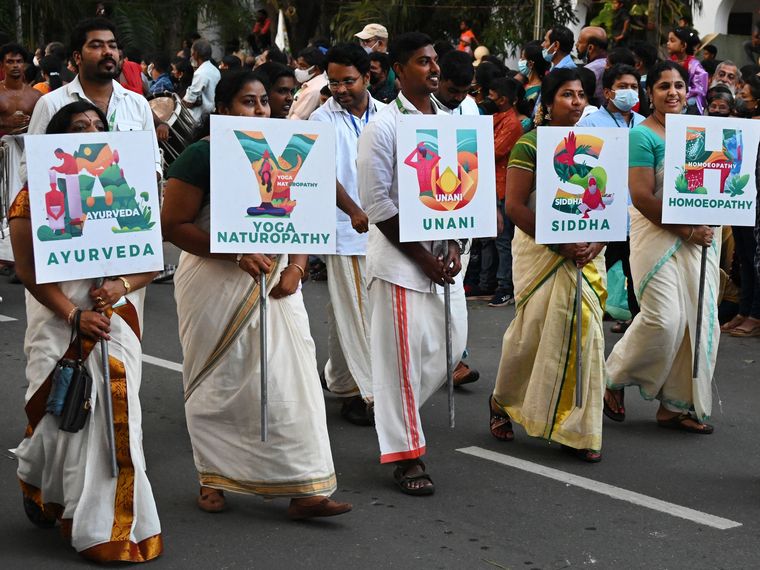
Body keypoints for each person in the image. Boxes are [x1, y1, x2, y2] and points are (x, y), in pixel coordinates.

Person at [161, 70, 352, 520]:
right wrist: (233, 254)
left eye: (265, 101)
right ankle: (213, 478)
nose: (262, 110)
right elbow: (173, 227)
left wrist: (299, 266)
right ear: (224, 108)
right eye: (249, 102)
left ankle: (305, 486)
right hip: (214, 281)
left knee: (294, 382)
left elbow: (302, 215)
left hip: (278, 280)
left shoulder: (288, 148)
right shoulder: (199, 157)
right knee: (219, 382)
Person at [10, 100, 162, 562]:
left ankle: (104, 525)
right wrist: (73, 316)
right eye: (80, 127)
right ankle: (43, 483)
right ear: (58, 140)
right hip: (59, 322)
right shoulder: (35, 194)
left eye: (99, 125)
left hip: (116, 318)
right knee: (58, 416)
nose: (92, 132)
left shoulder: (126, 186)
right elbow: (28, 270)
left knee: (119, 423)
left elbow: (149, 260)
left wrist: (122, 284)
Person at [357, 32, 467, 495]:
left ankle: (391, 408)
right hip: (402, 263)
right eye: (423, 62)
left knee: (450, 345)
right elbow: (377, 203)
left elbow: (464, 192)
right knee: (401, 364)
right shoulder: (382, 126)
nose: (434, 68)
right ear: (399, 71)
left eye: (435, 60)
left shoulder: (450, 123)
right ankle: (407, 456)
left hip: (444, 260)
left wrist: (457, 244)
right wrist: (422, 256)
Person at [488, 68, 606, 462]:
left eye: (581, 96)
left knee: (587, 332)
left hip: (587, 250)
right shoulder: (531, 145)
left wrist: (597, 240)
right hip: (541, 250)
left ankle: (580, 430)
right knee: (531, 333)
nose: (576, 102)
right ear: (548, 101)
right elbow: (515, 207)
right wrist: (559, 242)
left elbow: (609, 206)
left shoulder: (602, 145)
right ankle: (503, 400)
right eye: (567, 95)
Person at [604, 61, 718, 434]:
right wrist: (686, 229)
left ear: (689, 91)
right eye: (664, 86)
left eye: (680, 86)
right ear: (649, 93)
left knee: (700, 323)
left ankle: (675, 406)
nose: (673, 93)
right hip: (659, 234)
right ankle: (612, 377)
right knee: (665, 319)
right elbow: (640, 195)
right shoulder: (643, 135)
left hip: (699, 237)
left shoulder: (700, 133)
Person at [309, 44, 383, 425]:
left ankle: (340, 378)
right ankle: (371, 393)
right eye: (333, 81)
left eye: (348, 81)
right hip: (346, 230)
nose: (339, 89)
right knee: (360, 311)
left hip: (386, 229)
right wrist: (352, 210)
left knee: (350, 309)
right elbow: (321, 171)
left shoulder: (389, 115)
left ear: (368, 76)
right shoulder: (322, 120)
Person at [26, 18, 161, 177]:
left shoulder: (137, 103)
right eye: (97, 46)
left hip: (124, 198)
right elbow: (28, 167)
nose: (108, 51)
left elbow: (153, 162)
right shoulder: (51, 104)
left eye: (112, 45)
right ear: (77, 57)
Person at [578, 64, 645, 332]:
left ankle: (636, 324)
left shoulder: (644, 124)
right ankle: (586, 322)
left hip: (636, 213)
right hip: (602, 212)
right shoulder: (590, 124)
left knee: (635, 272)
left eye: (634, 87)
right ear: (607, 92)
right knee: (594, 268)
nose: (629, 92)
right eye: (623, 87)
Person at [486, 77, 527, 309]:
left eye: (490, 94)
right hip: (491, 186)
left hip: (503, 188)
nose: (486, 98)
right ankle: (494, 283)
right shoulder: (494, 119)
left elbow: (490, 152)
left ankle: (505, 287)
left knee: (503, 240)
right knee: (494, 240)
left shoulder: (511, 124)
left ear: (502, 99)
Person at [0, 43, 41, 135]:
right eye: (10, 62)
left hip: (28, 146)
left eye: (19, 61)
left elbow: (44, 123)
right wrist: (5, 122)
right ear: (2, 65)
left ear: (24, 65)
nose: (15, 65)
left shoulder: (36, 95)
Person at [666, 27, 707, 114]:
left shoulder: (695, 65)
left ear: (684, 45)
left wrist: (683, 95)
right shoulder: (668, 62)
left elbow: (699, 88)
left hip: (688, 98)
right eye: (668, 40)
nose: (668, 43)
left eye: (672, 41)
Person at [182, 38, 220, 124]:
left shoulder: (201, 73)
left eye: (192, 53)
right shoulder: (214, 70)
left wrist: (180, 103)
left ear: (195, 54)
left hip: (200, 120)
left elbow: (189, 100)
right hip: (211, 115)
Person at [433, 50, 480, 115]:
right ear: (439, 78)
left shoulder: (470, 105)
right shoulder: (421, 108)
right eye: (453, 91)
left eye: (465, 91)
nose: (459, 98)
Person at [288, 46, 328, 120]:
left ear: (315, 68)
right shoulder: (310, 85)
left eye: (303, 66)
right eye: (298, 65)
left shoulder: (314, 90)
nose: (298, 70)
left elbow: (296, 119)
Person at [577, 27, 609, 102]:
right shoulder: (611, 63)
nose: (576, 45)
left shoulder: (590, 69)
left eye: (579, 42)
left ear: (590, 47)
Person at [519, 42, 549, 106]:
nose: (520, 61)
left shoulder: (539, 90)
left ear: (530, 64)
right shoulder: (521, 81)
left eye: (523, 59)